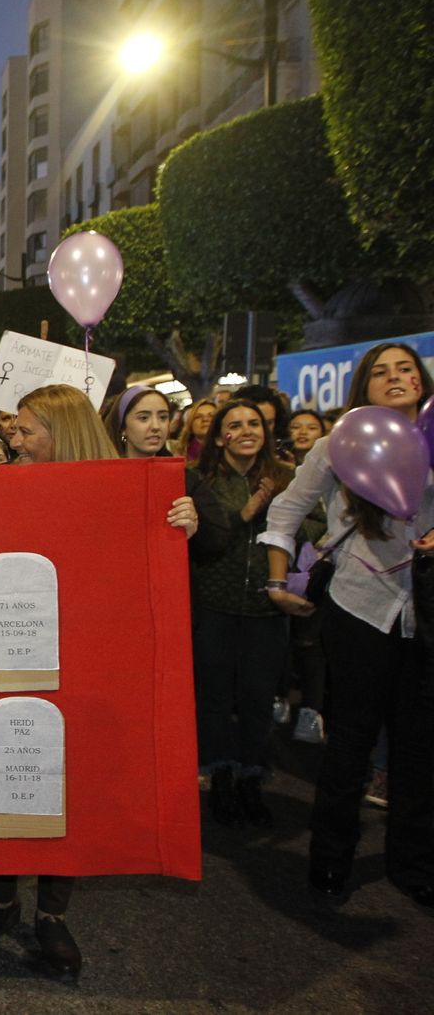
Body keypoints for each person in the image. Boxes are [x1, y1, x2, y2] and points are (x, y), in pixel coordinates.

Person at [0, 382, 198, 979]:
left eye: (26, 429)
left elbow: (153, 559)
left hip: (85, 658)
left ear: (59, 433)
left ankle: (52, 915)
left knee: (68, 782)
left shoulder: (120, 487)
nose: (14, 438)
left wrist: (181, 524)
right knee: (7, 770)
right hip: (13, 648)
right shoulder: (5, 481)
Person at [260, 342, 434, 909]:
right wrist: (277, 582)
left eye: (405, 368)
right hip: (359, 608)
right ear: (363, 387)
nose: (395, 378)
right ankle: (331, 858)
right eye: (380, 372)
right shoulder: (340, 443)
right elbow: (285, 511)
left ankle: (412, 863)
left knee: (419, 746)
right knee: (351, 742)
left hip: (426, 613)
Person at [188, 399, 314, 827]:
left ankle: (251, 780)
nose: (246, 431)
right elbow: (204, 539)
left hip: (265, 606)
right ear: (219, 435)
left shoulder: (288, 478)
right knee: (215, 698)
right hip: (215, 604)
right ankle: (220, 776)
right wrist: (246, 513)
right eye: (235, 424)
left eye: (254, 424)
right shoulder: (202, 479)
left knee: (258, 699)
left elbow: (313, 526)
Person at [105, 385, 175, 459]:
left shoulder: (180, 470)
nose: (156, 426)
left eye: (163, 417)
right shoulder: (106, 469)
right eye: (144, 418)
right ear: (123, 427)